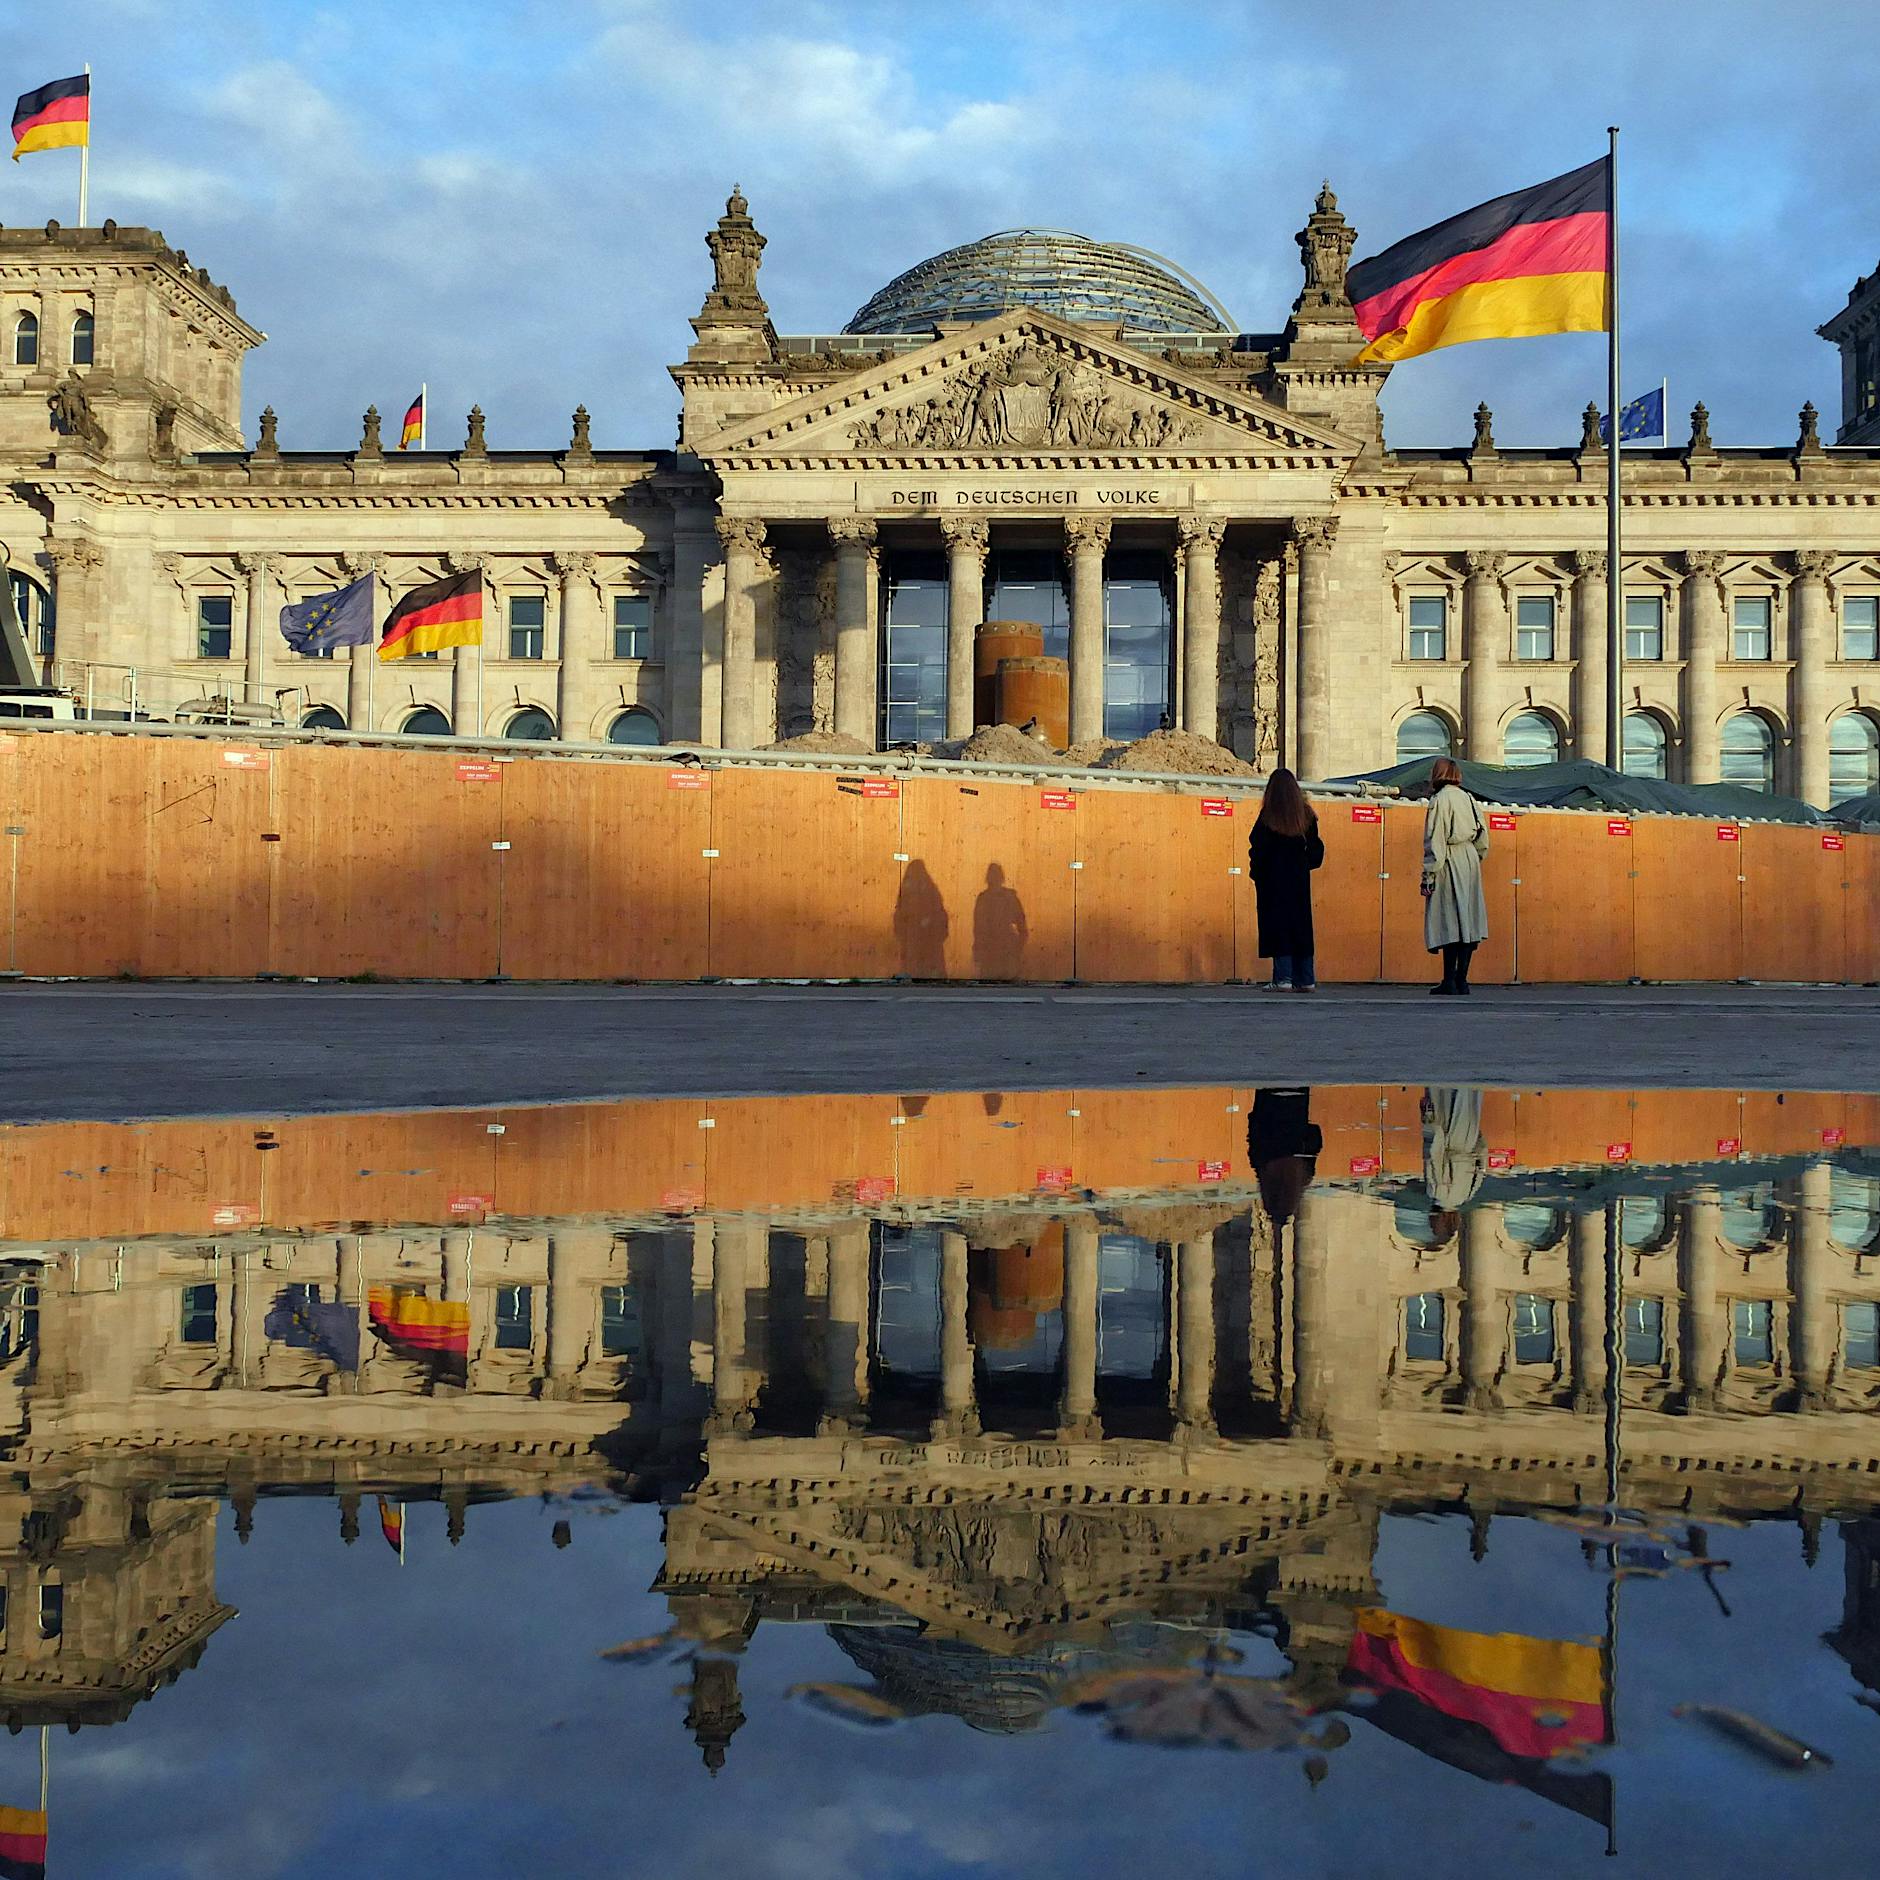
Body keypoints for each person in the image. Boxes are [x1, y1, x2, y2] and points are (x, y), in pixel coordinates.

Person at [1248, 767, 1325, 992]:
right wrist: (1302, 865)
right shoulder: (1306, 816)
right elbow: (1316, 852)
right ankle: (1306, 978)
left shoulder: (1269, 817)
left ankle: (1282, 978)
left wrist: (1257, 875)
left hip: (1273, 882)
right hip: (1298, 881)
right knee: (1301, 926)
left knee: (1278, 926)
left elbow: (1257, 849)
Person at [1420, 756, 1490, 995]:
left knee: (1450, 919)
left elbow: (1435, 838)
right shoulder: (1469, 798)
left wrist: (1429, 874)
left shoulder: (1440, 800)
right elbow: (1483, 836)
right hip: (1469, 858)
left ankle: (1449, 979)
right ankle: (1462, 979)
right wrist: (1474, 857)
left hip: (1449, 858)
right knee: (1468, 921)